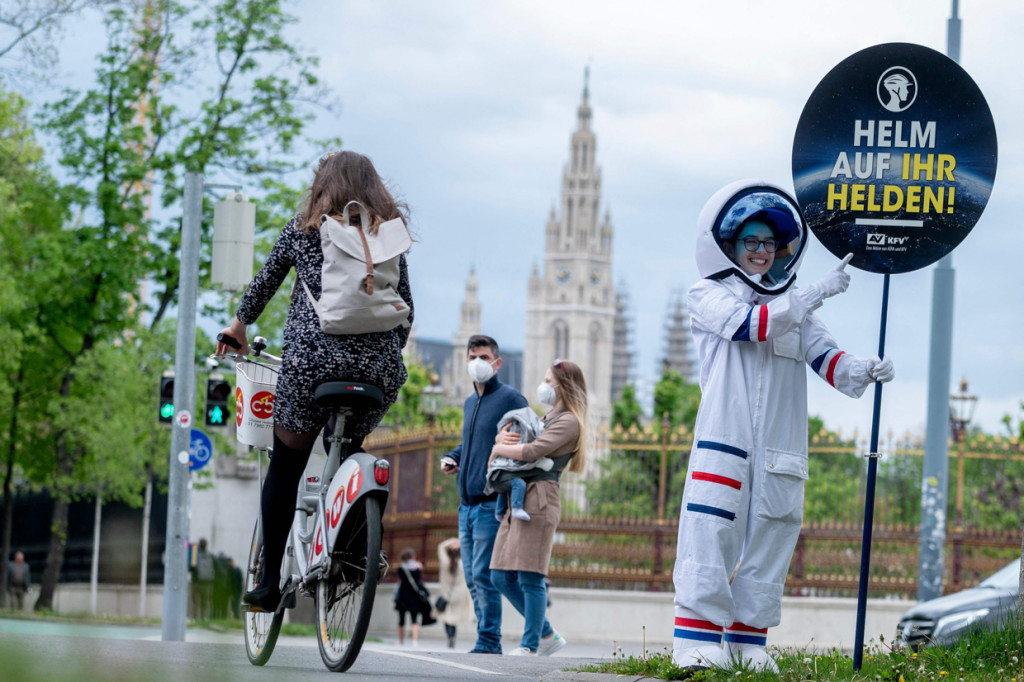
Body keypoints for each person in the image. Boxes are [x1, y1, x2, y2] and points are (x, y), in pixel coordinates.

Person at [671, 180, 895, 673]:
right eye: (751, 241)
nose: (760, 252)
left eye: (769, 243)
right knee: (711, 533)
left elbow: (828, 360)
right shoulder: (707, 294)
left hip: (782, 449)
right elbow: (752, 325)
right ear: (728, 244)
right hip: (724, 443)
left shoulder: (795, 302)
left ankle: (749, 643)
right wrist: (816, 292)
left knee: (773, 538)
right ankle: (695, 640)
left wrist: (866, 369)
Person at [216, 151, 413, 612]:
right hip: (377, 370)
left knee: (286, 465)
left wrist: (238, 327)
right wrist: (378, 355)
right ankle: (351, 550)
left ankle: (267, 585)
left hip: (310, 365)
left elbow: (264, 283)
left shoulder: (305, 228)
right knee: (349, 448)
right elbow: (406, 308)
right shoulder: (388, 236)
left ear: (322, 184)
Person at [486, 358, 586, 656]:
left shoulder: (569, 421)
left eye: (548, 380)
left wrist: (497, 448)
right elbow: (522, 443)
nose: (543, 386)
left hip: (540, 496)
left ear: (563, 386)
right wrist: (501, 437)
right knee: (500, 575)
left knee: (531, 575)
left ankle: (530, 645)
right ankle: (547, 633)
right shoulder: (546, 418)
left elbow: (531, 451)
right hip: (518, 497)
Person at [440, 334, 528, 654]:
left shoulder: (510, 398)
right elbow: (473, 443)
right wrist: (455, 457)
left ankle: (489, 641)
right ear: (466, 361)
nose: (478, 363)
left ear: (497, 363)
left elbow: (526, 437)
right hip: (466, 506)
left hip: (492, 503)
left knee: (484, 574)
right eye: (473, 357)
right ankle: (489, 637)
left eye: (484, 357)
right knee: (471, 577)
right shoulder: (469, 402)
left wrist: (507, 444)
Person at [487, 407, 552, 522]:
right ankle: (516, 507)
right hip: (499, 474)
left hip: (499, 476)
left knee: (506, 489)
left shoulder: (510, 446)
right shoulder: (508, 446)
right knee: (518, 483)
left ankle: (499, 512)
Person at [435, 538, 473, 649]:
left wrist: (453, 541)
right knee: (454, 618)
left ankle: (450, 636)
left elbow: (441, 546)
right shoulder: (463, 564)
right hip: (460, 595)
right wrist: (461, 542)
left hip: (447, 594)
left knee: (447, 617)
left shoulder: (445, 562)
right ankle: (453, 637)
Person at [394, 548, 428, 646]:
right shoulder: (417, 568)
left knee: (401, 619)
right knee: (414, 618)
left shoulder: (400, 568)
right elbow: (418, 580)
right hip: (413, 596)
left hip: (402, 595)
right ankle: (415, 641)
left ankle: (401, 641)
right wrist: (419, 568)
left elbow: (400, 580)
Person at [190, 538, 215, 620]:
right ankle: (204, 617)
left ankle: (195, 617)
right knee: (205, 601)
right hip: (207, 583)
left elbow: (191, 568)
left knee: (195, 601)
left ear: (199, 545)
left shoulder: (195, 555)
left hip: (196, 582)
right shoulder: (210, 555)